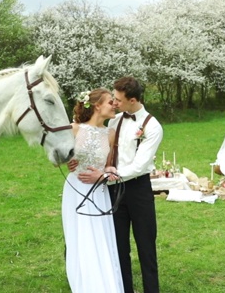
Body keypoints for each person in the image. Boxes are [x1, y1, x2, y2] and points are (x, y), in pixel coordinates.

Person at [79, 77, 163, 293]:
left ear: (132, 100)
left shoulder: (152, 126)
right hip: (113, 190)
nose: (114, 103)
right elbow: (104, 150)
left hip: (138, 190)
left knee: (146, 246)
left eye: (117, 100)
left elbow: (139, 165)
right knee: (119, 247)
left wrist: (105, 177)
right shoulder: (114, 121)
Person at [62, 88, 123, 293]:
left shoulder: (111, 133)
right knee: (80, 236)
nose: (114, 104)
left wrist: (108, 172)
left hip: (99, 191)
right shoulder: (74, 129)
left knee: (101, 236)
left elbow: (107, 165)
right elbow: (55, 157)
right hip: (76, 189)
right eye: (110, 102)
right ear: (97, 105)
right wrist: (67, 161)